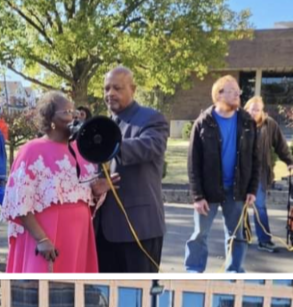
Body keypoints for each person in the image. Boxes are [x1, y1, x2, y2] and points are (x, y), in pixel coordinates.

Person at [3, 90, 106, 273]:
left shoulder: (83, 151)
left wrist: (97, 193)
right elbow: (19, 202)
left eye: (74, 112)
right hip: (46, 235)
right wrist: (41, 239)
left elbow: (85, 199)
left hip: (79, 235)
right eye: (66, 112)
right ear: (50, 118)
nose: (73, 116)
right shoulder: (31, 151)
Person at [95, 66, 170, 273]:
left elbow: (150, 147)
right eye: (106, 88)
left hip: (139, 230)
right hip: (103, 231)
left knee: (140, 296)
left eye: (117, 88)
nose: (110, 93)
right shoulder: (103, 125)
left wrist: (109, 144)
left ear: (133, 89)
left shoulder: (152, 118)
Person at [185, 75, 259, 273]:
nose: (238, 94)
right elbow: (193, 163)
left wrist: (252, 189)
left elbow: (255, 158)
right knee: (200, 233)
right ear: (219, 94)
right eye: (232, 91)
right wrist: (198, 196)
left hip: (237, 190)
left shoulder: (246, 121)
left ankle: (234, 271)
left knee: (237, 235)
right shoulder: (203, 122)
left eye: (238, 91)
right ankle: (194, 271)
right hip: (208, 192)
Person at [244, 97, 293, 252]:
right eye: (252, 109)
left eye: (258, 109)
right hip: (241, 173)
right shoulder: (239, 123)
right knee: (239, 208)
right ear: (247, 109)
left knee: (259, 206)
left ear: (262, 111)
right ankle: (242, 237)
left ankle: (264, 240)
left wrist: (289, 161)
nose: (255, 112)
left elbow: (280, 145)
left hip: (260, 173)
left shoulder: (269, 124)